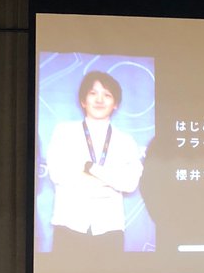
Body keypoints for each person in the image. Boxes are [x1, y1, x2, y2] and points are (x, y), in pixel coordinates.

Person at [46, 70, 144, 253]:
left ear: (116, 104)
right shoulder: (64, 132)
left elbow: (129, 183)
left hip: (109, 228)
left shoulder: (126, 141)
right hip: (69, 224)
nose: (100, 100)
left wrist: (89, 168)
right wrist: (110, 180)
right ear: (83, 101)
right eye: (93, 93)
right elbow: (59, 174)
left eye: (107, 95)